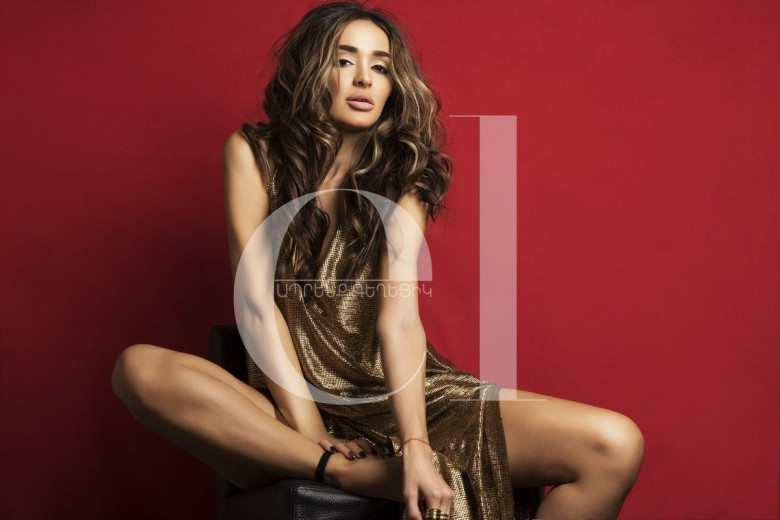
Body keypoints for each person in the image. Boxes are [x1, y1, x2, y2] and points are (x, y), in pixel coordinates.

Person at [111, 2, 644, 519]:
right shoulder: (254, 153)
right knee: (138, 368)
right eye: (344, 60)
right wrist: (313, 433)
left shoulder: (408, 172)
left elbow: (399, 318)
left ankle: (371, 464)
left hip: (403, 399)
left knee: (614, 444)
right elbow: (254, 303)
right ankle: (343, 474)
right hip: (291, 406)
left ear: (394, 85)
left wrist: (415, 443)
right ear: (311, 70)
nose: (364, 78)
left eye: (381, 66)